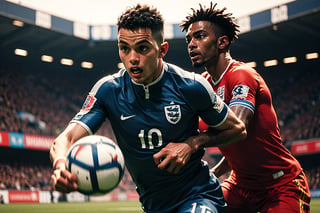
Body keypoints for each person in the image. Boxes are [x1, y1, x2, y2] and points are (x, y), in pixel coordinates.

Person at [49, 4, 247, 213]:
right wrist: (61, 165)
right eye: (124, 48)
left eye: (142, 48)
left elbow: (237, 129)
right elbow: (66, 139)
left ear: (162, 50)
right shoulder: (109, 90)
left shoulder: (191, 86)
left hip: (198, 194)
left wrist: (192, 143)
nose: (133, 58)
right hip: (153, 205)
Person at [180, 2, 311, 213]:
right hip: (240, 186)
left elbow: (238, 128)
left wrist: (194, 142)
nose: (191, 44)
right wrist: (214, 172)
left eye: (200, 36)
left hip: (280, 186)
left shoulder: (241, 75)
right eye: (189, 39)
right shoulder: (202, 85)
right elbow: (236, 150)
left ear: (222, 42)